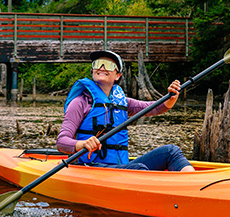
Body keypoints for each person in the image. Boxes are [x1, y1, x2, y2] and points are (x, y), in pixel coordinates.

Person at [56, 50, 195, 172]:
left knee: (171, 151)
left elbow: (156, 107)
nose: (102, 67)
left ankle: (192, 185)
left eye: (109, 65)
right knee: (138, 170)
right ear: (93, 70)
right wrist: (82, 144)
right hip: (91, 166)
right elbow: (61, 142)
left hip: (120, 167)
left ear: (117, 76)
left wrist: (171, 97)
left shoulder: (123, 102)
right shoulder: (80, 103)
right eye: (98, 64)